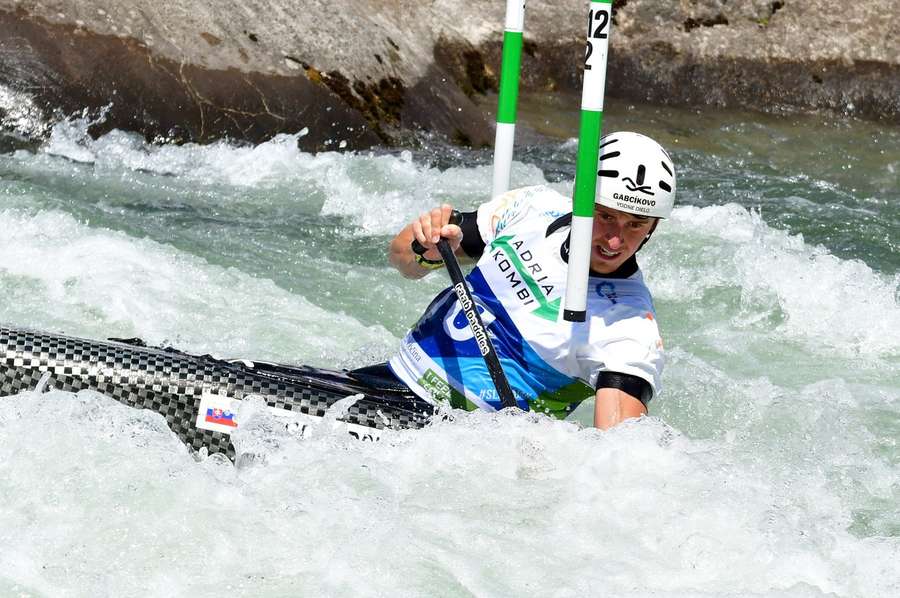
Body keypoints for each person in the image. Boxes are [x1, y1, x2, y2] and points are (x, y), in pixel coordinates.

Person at [382, 131, 676, 429]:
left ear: (653, 227)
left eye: (635, 225)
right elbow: (399, 258)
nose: (614, 241)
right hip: (390, 380)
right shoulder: (533, 208)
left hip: (455, 437)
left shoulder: (629, 330)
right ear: (580, 199)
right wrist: (428, 252)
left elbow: (620, 457)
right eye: (606, 217)